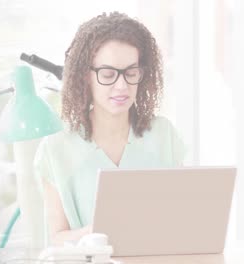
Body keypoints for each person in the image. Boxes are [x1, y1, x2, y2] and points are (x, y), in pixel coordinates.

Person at [33, 12, 186, 246]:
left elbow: (181, 220)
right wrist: (96, 232)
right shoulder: (55, 150)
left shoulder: (164, 135)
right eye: (108, 74)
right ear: (85, 76)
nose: (122, 85)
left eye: (131, 73)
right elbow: (55, 240)